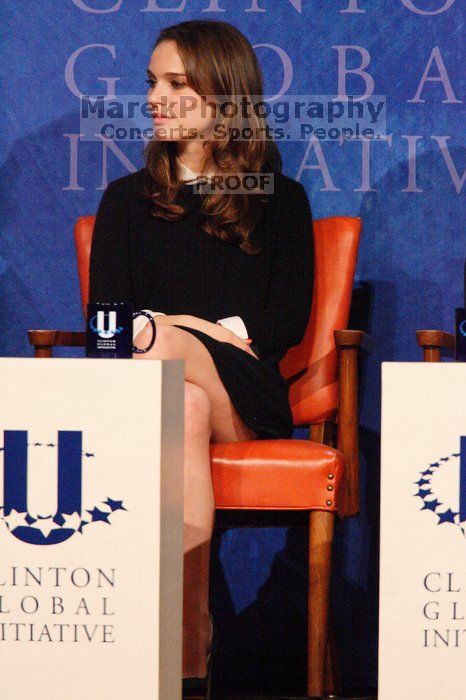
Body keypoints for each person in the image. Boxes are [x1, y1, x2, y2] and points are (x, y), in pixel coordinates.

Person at [88, 18, 314, 696]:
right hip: (157, 402)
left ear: (224, 96)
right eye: (151, 82)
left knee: (161, 342)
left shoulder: (280, 201)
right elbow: (104, 330)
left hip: (246, 401)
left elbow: (280, 325)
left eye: (176, 84)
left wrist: (184, 332)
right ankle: (190, 649)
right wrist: (194, 326)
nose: (155, 97)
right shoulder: (126, 201)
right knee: (176, 401)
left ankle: (176, 644)